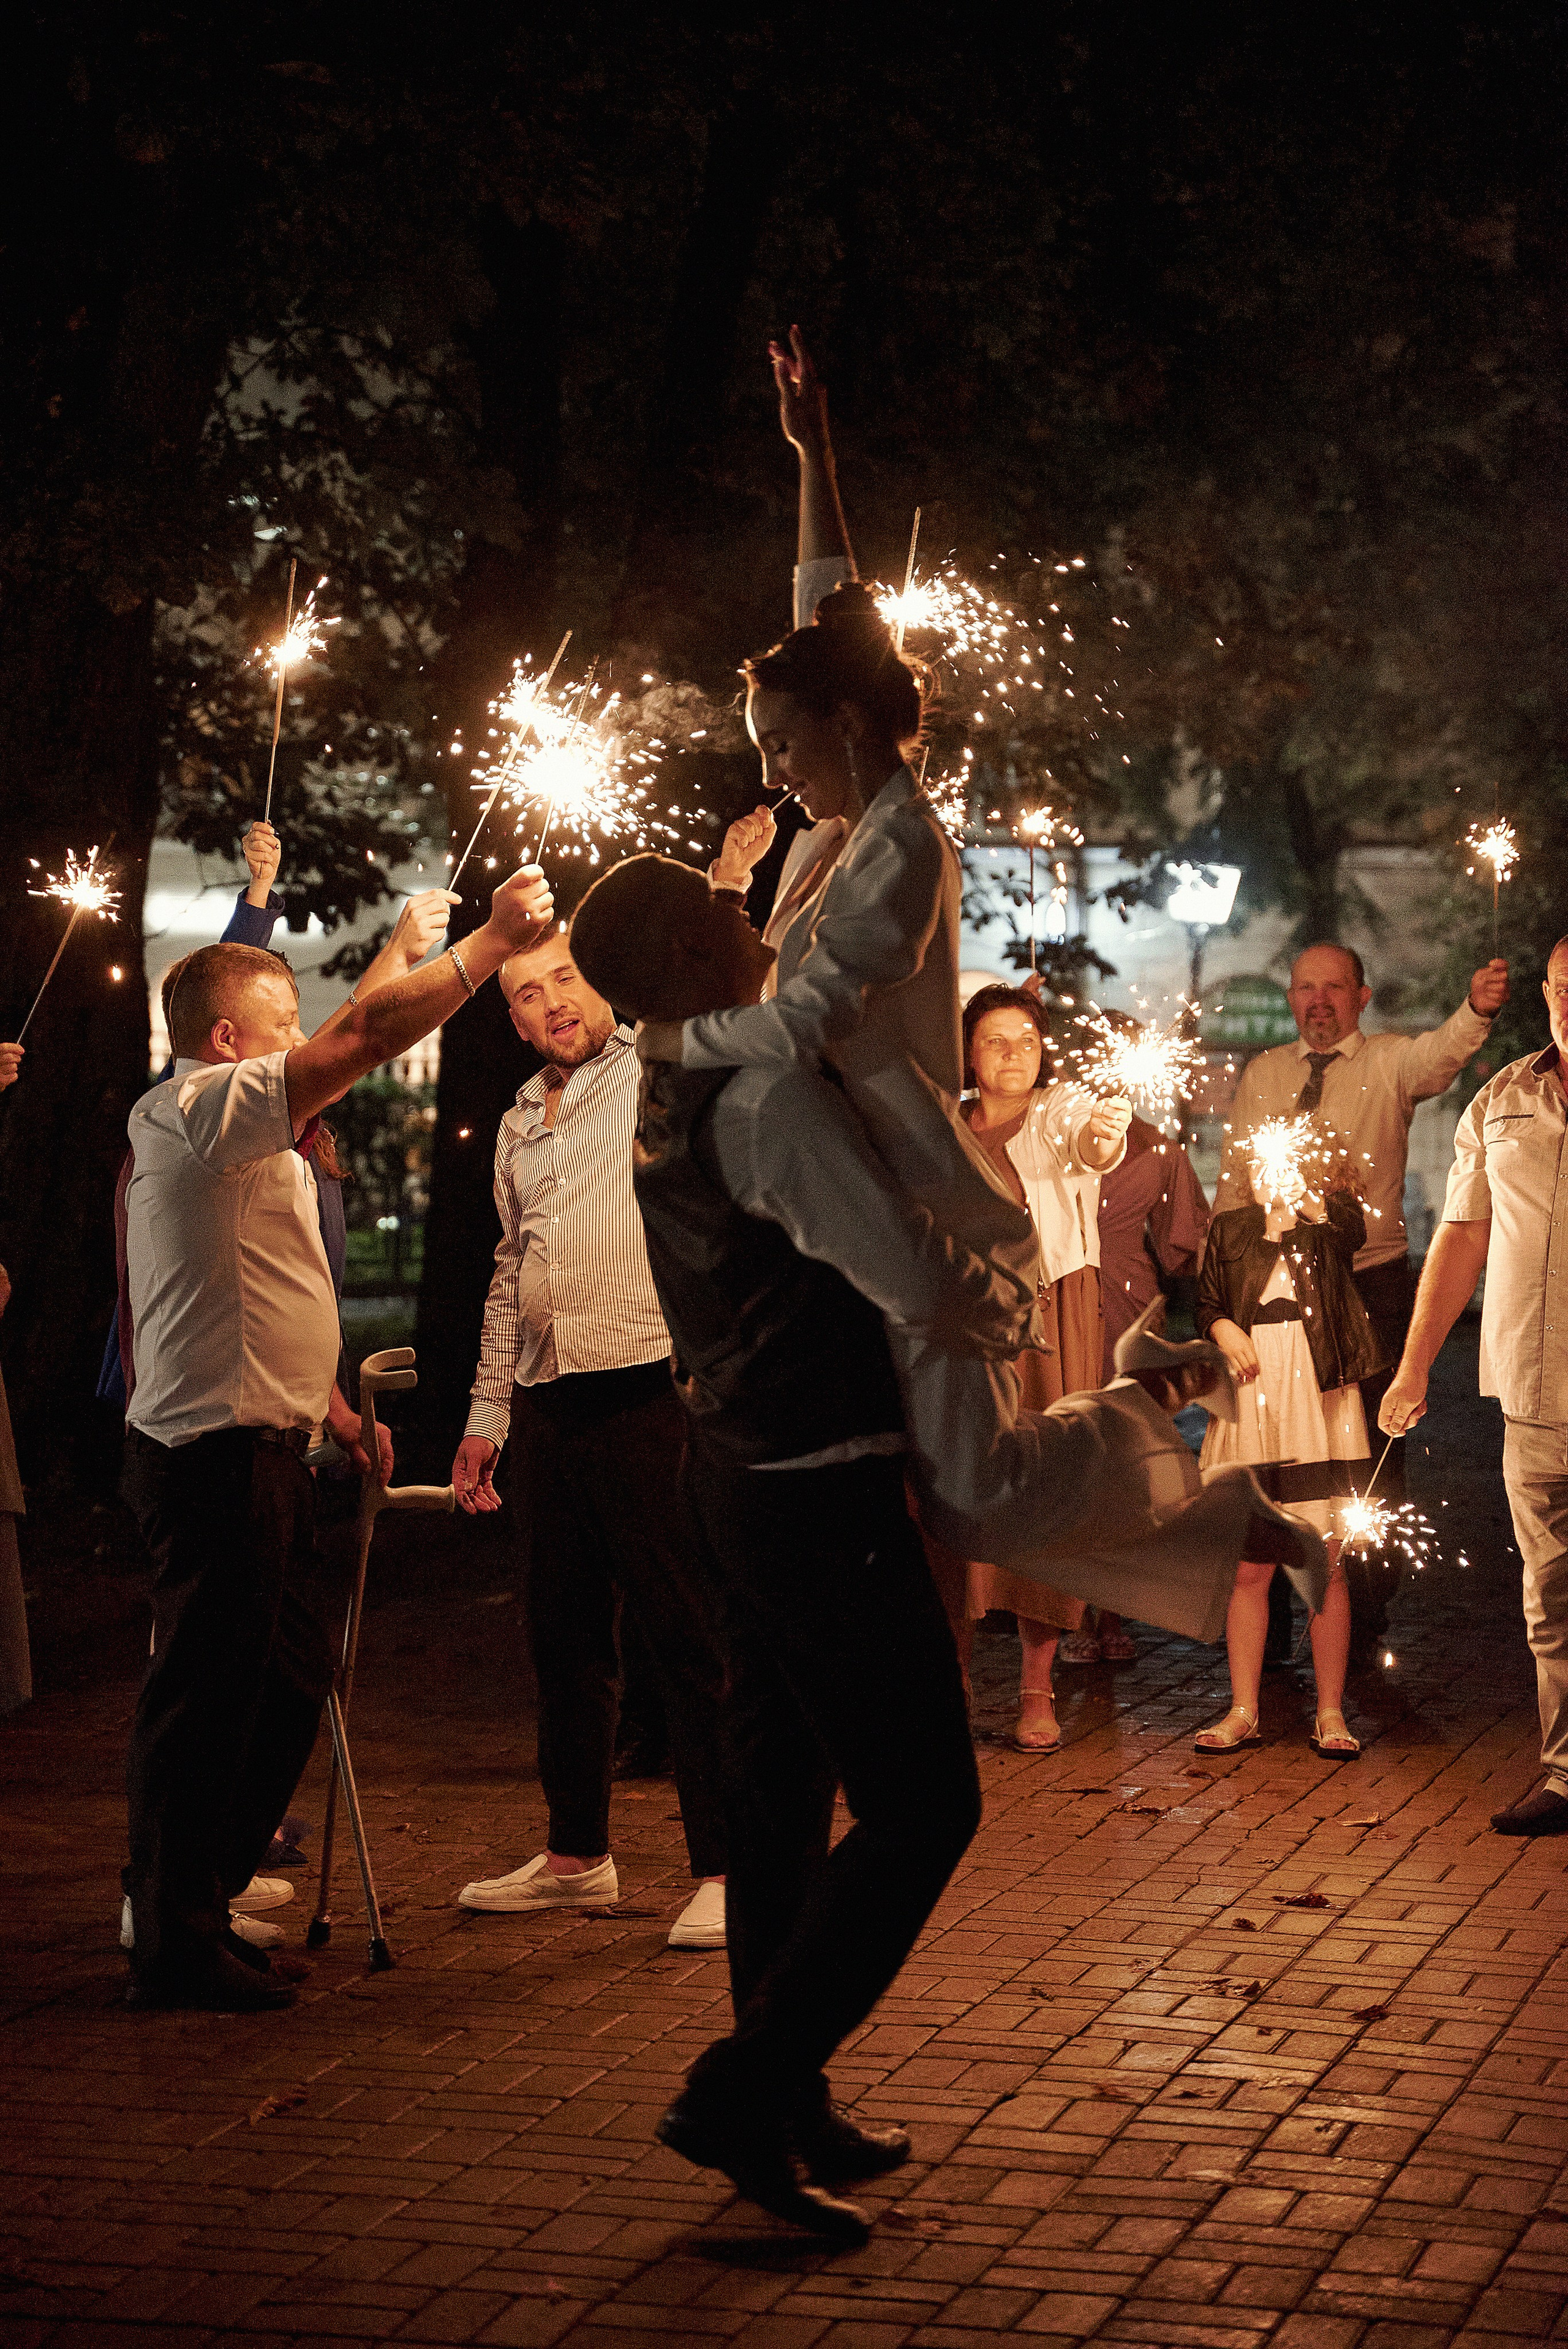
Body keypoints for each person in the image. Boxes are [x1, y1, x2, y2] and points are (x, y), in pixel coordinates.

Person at [568, 854, 1325, 2242]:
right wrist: (990, 1273)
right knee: (927, 1802)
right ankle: (746, 2082)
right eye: (731, 912)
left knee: (781, 1808)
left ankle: (779, 2105)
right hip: (811, 1493)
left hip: (738, 1478)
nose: (758, 926)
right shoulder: (760, 1095)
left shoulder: (672, 1086)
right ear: (691, 949)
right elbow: (907, 1273)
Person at [120, 864, 553, 2013]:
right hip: (209, 1460)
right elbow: (355, 1043)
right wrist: (486, 948)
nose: (298, 1041)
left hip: (266, 1448)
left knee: (291, 1672)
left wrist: (340, 1412)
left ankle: (199, 1903)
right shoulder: (196, 1109)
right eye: (278, 1026)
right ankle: (169, 1932)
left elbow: (343, 1047)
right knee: (204, 1697)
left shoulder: (244, 1123)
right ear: (229, 1039)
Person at [449, 926, 728, 1952]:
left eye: (565, 977)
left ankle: (730, 1864)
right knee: (561, 1637)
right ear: (510, 1015)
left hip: (649, 1386)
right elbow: (509, 1271)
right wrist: (487, 1418)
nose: (552, 1002)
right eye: (526, 992)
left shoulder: (655, 1063)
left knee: (689, 1634)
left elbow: (710, 985)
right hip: (549, 1400)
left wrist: (729, 891)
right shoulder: (521, 1117)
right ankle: (579, 1857)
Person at [1215, 941, 1508, 1648]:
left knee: (1366, 1448)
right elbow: (1232, 1185)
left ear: (1360, 997)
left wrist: (1475, 1009)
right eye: (1305, 987)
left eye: (1334, 988)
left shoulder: (1387, 1061)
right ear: (1290, 998)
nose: (1318, 1000)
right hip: (1271, 1289)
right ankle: (1276, 1608)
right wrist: (1221, 1292)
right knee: (1276, 1442)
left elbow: (1441, 1053)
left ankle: (1359, 1603)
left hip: (1364, 1281)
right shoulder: (1263, 1072)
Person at [1379, 937, 1568, 1836]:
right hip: (1531, 1394)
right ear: (1546, 992)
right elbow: (1460, 1237)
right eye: (1566, 990)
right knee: (1550, 1597)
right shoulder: (1501, 1099)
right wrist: (1415, 1364)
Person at [957, 983, 1130, 1748]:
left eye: (1026, 1039)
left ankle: (1036, 1688)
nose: (1012, 1054)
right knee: (951, 1496)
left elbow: (1089, 1144)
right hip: (958, 1326)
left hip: (1050, 1317)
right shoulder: (943, 1121)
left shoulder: (1061, 1109)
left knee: (1046, 1494)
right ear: (967, 1050)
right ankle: (948, 1681)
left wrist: (1104, 1130)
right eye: (994, 1040)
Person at [1194, 1126, 1389, 1757]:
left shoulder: (1328, 1225)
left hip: (1319, 1395)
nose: (1268, 1175)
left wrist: (1307, 1202)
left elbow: (1351, 1237)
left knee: (1323, 1562)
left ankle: (1330, 1712)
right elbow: (1205, 1303)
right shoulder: (1230, 1228)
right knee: (1249, 1564)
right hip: (1254, 1397)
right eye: (1260, 1164)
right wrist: (1224, 1327)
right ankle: (1243, 1708)